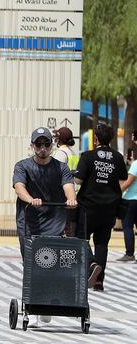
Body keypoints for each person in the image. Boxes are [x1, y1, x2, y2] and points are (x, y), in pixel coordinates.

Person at [12, 127, 77, 300]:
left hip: (54, 222)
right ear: (32, 145)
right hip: (29, 223)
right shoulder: (22, 166)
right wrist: (30, 199)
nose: (42, 148)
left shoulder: (61, 167)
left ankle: (46, 301)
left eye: (46, 144)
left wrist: (71, 199)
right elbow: (19, 187)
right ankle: (33, 302)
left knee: (52, 263)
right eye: (38, 144)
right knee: (32, 264)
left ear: (52, 145)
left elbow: (69, 187)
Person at [74, 123, 128, 291]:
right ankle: (99, 282)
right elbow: (121, 180)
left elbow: (78, 181)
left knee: (81, 237)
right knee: (102, 243)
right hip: (110, 208)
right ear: (110, 139)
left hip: (88, 206)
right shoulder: (118, 157)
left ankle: (91, 264)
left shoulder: (88, 156)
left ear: (95, 138)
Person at [118, 130, 137, 261]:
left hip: (130, 199)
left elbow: (129, 182)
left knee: (128, 226)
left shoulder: (136, 164)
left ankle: (129, 254)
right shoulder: (134, 163)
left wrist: (117, 191)